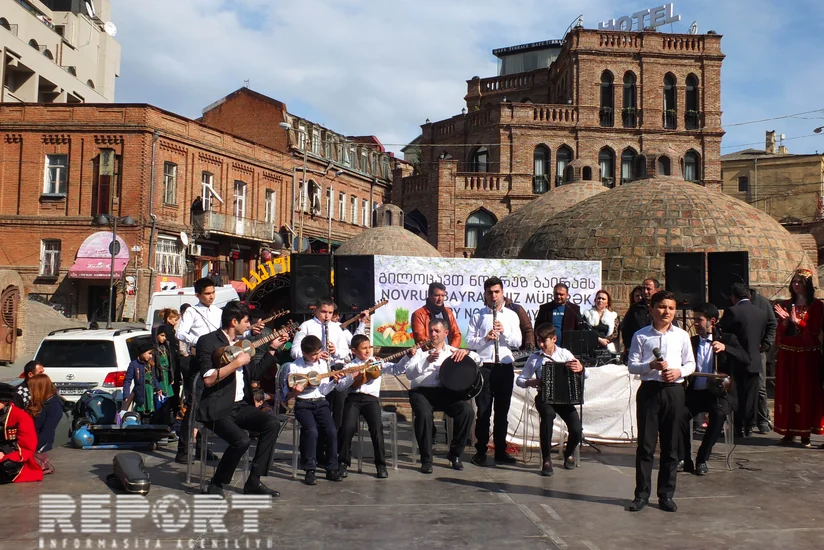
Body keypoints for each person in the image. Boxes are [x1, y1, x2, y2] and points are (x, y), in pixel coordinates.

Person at [196, 301, 288, 497]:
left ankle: (254, 480)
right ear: (234, 321)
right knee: (242, 440)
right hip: (216, 407)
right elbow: (208, 379)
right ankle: (217, 483)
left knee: (271, 423)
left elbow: (253, 372)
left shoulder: (242, 344)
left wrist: (272, 349)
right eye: (246, 322)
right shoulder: (208, 341)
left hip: (239, 406)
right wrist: (236, 363)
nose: (249, 326)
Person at [627, 290, 694, 513]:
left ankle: (666, 494)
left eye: (671, 308)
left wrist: (678, 372)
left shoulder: (682, 336)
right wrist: (651, 366)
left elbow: (691, 364)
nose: (667, 312)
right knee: (646, 446)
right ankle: (641, 494)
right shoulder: (641, 335)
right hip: (650, 391)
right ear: (652, 308)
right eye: (662, 307)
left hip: (674, 391)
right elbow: (632, 365)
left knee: (670, 446)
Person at [679, 303, 747, 475]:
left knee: (718, 415)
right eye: (694, 319)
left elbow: (746, 358)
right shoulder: (691, 341)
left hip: (719, 393)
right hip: (696, 392)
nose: (695, 323)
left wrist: (726, 349)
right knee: (678, 415)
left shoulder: (728, 339)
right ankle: (684, 458)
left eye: (699, 320)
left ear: (712, 321)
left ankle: (702, 457)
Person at [405, 319, 479, 474]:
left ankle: (455, 454)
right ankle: (426, 459)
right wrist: (426, 361)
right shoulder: (420, 351)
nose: (433, 334)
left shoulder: (451, 351)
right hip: (421, 391)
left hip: (445, 392)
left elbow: (479, 361)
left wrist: (467, 352)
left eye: (437, 331)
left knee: (466, 411)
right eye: (431, 330)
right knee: (424, 415)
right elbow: (410, 374)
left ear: (445, 333)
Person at [335, 335, 413, 479]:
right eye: (363, 348)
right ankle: (343, 463)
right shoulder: (349, 366)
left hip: (371, 400)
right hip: (353, 398)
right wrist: (353, 375)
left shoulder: (377, 363)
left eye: (369, 347)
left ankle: (381, 465)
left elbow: (396, 369)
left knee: (377, 428)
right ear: (354, 351)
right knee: (347, 428)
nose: (367, 351)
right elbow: (340, 387)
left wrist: (407, 357)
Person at [467, 277, 522, 466]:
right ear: (485, 294)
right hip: (485, 367)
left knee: (502, 412)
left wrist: (504, 331)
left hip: (504, 366)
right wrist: (485, 338)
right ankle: (481, 450)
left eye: (497, 292)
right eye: (490, 292)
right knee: (483, 412)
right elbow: (469, 342)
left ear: (503, 293)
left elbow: (518, 342)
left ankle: (500, 450)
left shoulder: (511, 316)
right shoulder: (478, 316)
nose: (494, 296)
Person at [516, 323, 584, 476]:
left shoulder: (565, 354)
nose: (540, 344)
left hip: (564, 398)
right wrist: (531, 382)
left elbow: (584, 375)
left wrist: (580, 368)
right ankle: (546, 458)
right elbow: (520, 380)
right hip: (545, 397)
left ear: (554, 339)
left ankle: (569, 453)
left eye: (543, 341)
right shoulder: (535, 358)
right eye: (538, 341)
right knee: (547, 416)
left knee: (576, 429)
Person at [773, 269, 824, 447]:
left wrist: (798, 323)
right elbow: (780, 334)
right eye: (794, 281)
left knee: (804, 392)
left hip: (806, 357)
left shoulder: (816, 306)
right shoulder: (787, 304)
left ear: (807, 285)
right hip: (788, 354)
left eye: (799, 282)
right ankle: (787, 432)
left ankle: (805, 434)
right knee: (787, 392)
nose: (796, 285)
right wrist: (785, 322)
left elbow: (814, 332)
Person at [174, 278, 223, 464]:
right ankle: (184, 449)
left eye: (212, 293)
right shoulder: (192, 312)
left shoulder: (219, 312)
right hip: (197, 361)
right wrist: (199, 342)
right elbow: (180, 333)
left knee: (209, 405)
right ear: (198, 295)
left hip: (215, 361)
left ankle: (202, 448)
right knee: (194, 404)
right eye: (207, 294)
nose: (211, 296)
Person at [287, 335, 346, 486]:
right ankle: (310, 469)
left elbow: (324, 390)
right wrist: (298, 390)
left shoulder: (323, 365)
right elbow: (288, 393)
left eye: (318, 352)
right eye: (313, 354)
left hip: (320, 402)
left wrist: (334, 381)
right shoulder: (295, 367)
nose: (316, 356)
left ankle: (332, 467)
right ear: (304, 353)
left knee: (332, 431)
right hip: (303, 404)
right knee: (312, 431)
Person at [719, 283, 766, 438]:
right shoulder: (760, 312)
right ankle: (749, 426)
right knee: (751, 396)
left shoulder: (732, 312)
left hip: (737, 359)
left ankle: (739, 426)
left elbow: (724, 331)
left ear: (734, 297)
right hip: (755, 360)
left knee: (737, 395)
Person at [0, 383, 42, 484]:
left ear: (4, 401)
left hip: (13, 455)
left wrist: (4, 453)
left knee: (7, 465)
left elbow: (27, 447)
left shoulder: (21, 417)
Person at [750, 288, 777, 434]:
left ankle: (762, 420)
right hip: (741, 350)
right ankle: (745, 421)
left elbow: (772, 324)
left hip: (758, 350)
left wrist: (766, 344)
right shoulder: (734, 301)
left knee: (760, 386)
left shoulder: (762, 302)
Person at [411, 282, 464, 350]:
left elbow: (457, 335)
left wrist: (450, 351)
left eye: (442, 295)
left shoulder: (448, 312)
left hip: (449, 354)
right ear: (429, 295)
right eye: (437, 295)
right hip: (429, 355)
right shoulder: (419, 314)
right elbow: (421, 339)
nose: (440, 299)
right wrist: (437, 351)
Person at [122, 341, 164, 420]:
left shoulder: (151, 364)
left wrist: (158, 388)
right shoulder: (134, 364)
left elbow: (153, 378)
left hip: (150, 392)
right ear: (142, 353)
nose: (151, 356)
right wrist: (126, 395)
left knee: (151, 414)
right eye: (149, 353)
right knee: (141, 414)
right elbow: (128, 380)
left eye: (152, 354)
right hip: (141, 394)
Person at [535, 283, 584, 348]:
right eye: (556, 294)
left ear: (567, 295)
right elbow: (537, 327)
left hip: (567, 348)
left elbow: (579, 329)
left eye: (561, 294)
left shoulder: (574, 309)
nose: (558, 297)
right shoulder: (545, 308)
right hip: (548, 348)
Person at [25, 374, 63, 455]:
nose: (29, 391)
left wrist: (30, 448)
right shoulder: (39, 401)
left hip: (39, 448)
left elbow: (47, 432)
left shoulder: (54, 406)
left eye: (31, 388)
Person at [621, 278, 660, 356]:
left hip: (657, 350)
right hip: (639, 351)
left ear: (656, 290)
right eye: (643, 289)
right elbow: (626, 328)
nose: (645, 292)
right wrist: (629, 347)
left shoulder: (662, 307)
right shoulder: (635, 308)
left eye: (648, 289)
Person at [583, 289, 619, 354]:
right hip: (589, 347)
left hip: (607, 347)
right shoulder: (587, 314)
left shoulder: (613, 316)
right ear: (595, 300)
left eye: (603, 299)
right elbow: (584, 330)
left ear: (607, 302)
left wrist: (605, 341)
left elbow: (615, 333)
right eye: (599, 298)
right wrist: (598, 340)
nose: (600, 300)